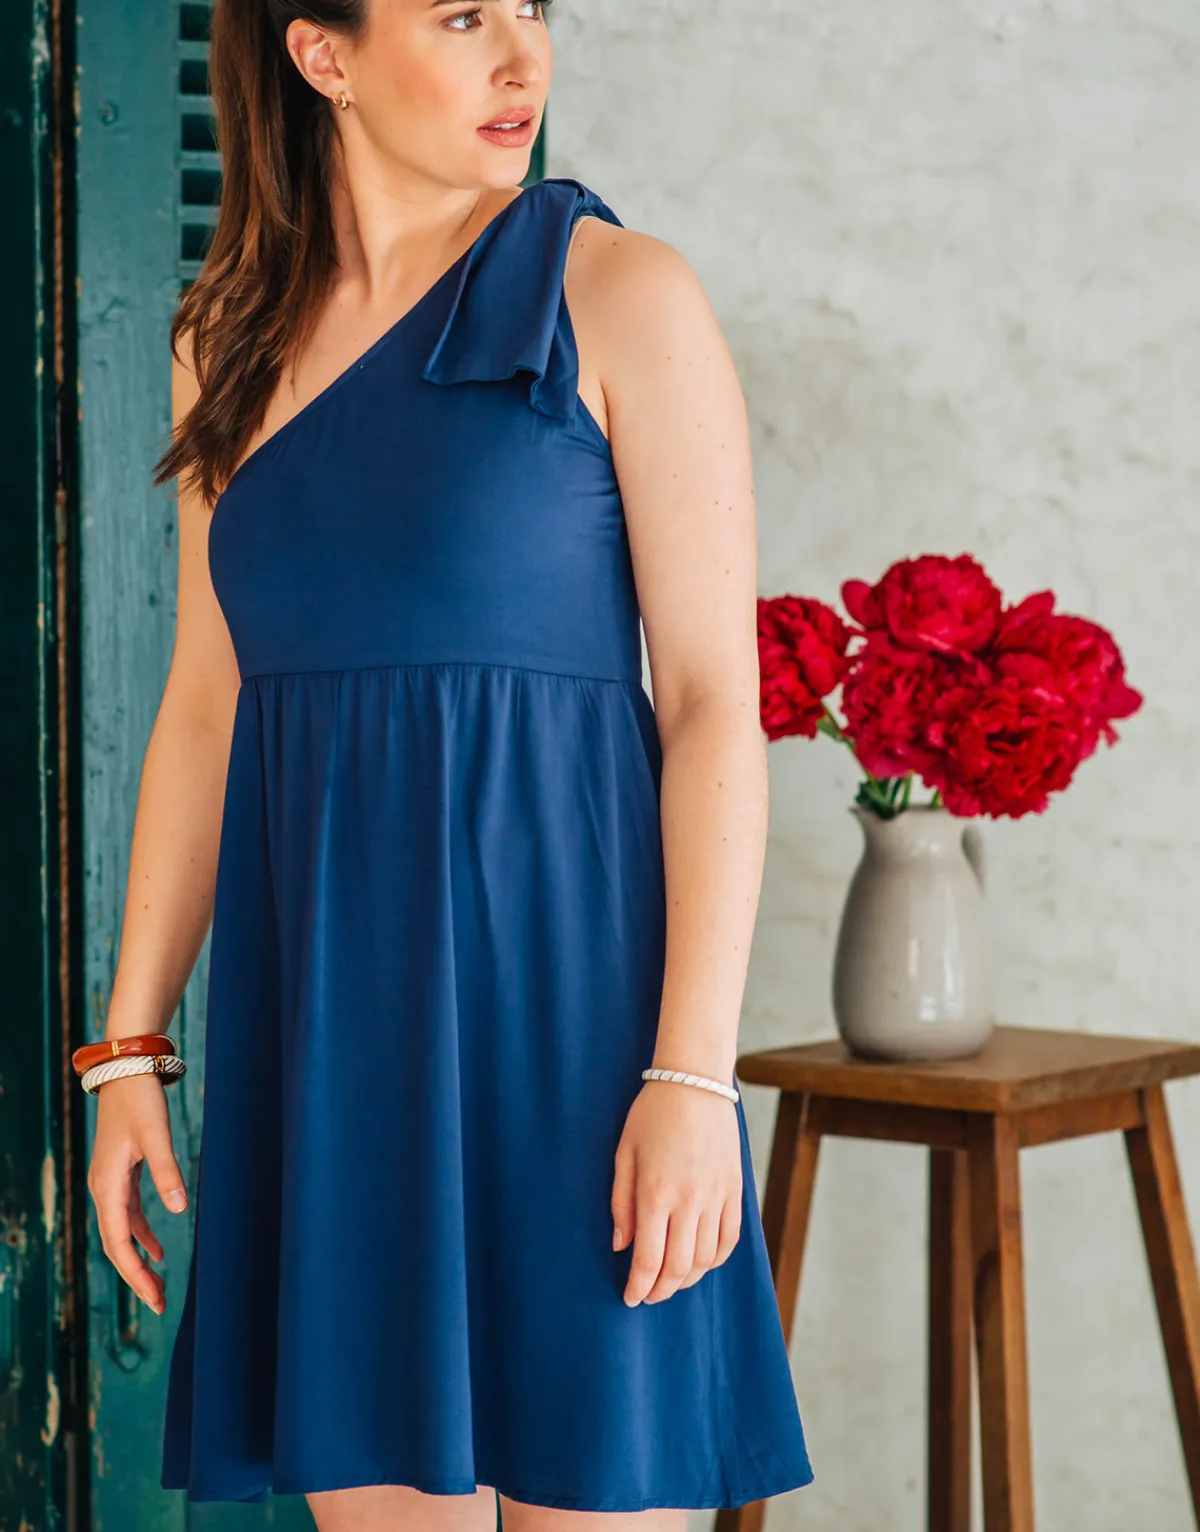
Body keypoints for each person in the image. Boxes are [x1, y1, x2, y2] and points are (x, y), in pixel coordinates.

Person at [83, 0, 815, 1526]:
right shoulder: (226, 339)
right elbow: (207, 704)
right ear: (323, 56)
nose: (522, 58)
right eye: (463, 14)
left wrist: (693, 1076)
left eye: (530, 10)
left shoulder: (618, 292)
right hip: (336, 1049)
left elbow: (707, 705)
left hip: (585, 1043)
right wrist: (130, 1047)